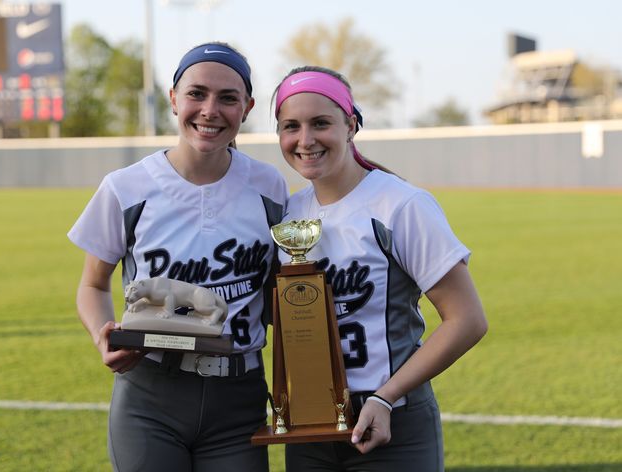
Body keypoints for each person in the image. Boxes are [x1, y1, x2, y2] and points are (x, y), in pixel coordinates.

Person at [68, 42, 288, 472]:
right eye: (196, 93)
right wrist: (102, 337)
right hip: (151, 393)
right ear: (173, 98)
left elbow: (281, 291)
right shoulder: (125, 187)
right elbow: (93, 285)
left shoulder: (269, 186)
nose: (210, 110)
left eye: (228, 98)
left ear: (247, 108)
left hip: (239, 393)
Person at [272, 66, 488, 471]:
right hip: (310, 428)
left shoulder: (400, 205)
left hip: (393, 421)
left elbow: (468, 320)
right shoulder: (290, 213)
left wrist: (385, 396)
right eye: (291, 126)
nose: (305, 139)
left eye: (321, 123)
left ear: (350, 125)